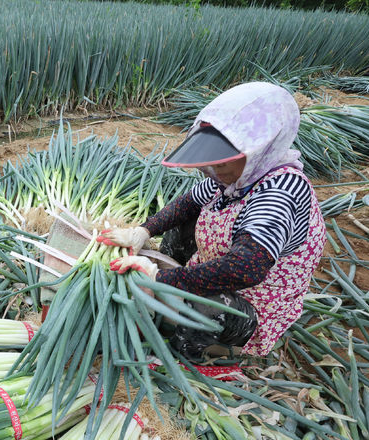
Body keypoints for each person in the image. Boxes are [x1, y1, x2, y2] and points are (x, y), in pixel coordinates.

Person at [99, 82, 326, 360]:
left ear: (258, 151)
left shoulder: (280, 191)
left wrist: (162, 278)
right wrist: (143, 231)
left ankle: (198, 354)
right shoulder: (237, 177)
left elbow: (246, 269)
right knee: (182, 224)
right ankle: (174, 292)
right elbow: (188, 203)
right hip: (221, 270)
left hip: (256, 299)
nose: (214, 171)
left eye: (222, 163)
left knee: (205, 306)